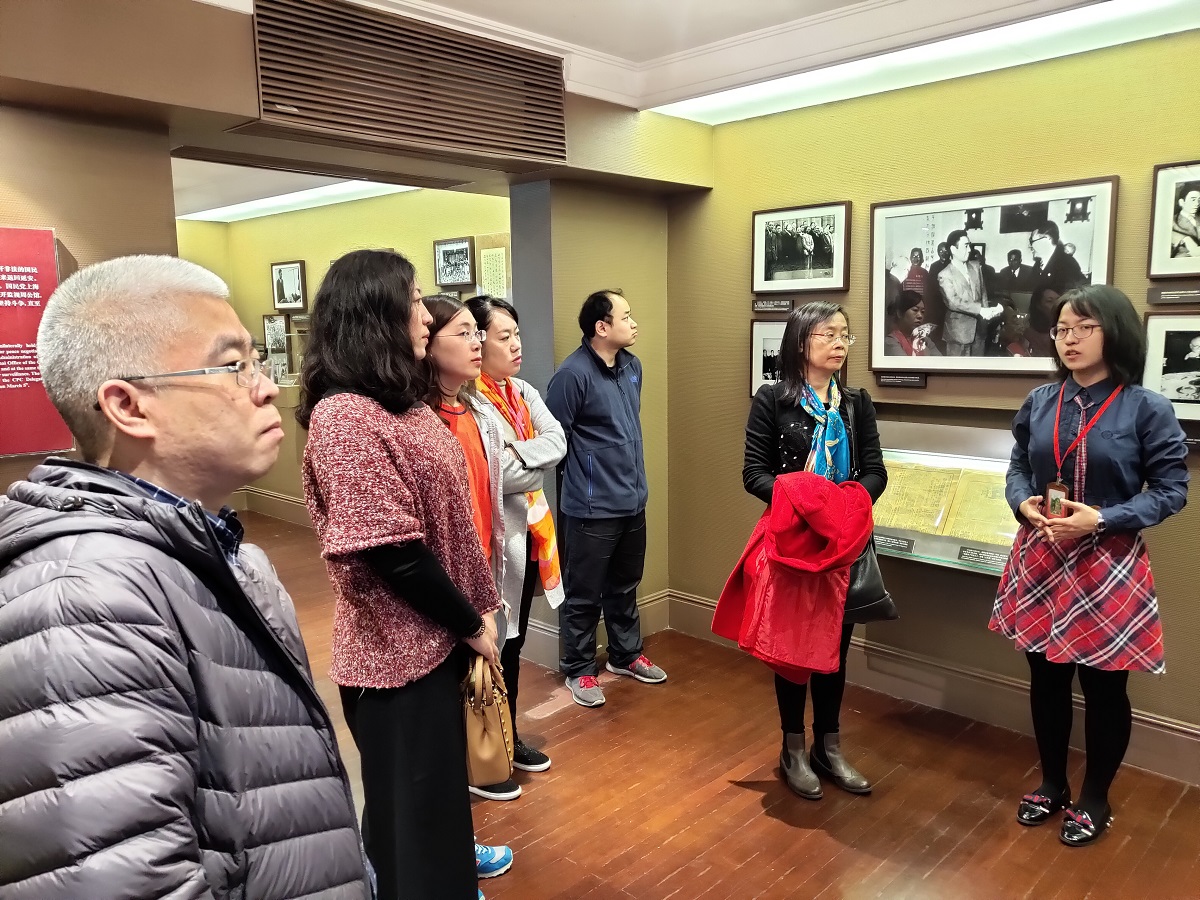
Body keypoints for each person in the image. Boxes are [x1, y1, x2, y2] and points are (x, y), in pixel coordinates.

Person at [0, 255, 371, 899]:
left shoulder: (218, 552)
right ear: (128, 406)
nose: (266, 388)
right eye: (233, 367)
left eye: (256, 361)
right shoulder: (87, 600)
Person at [297, 250, 507, 900]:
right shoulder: (345, 417)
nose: (426, 315)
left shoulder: (401, 403)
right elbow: (394, 553)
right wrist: (471, 622)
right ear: (376, 315)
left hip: (434, 642)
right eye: (415, 301)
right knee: (410, 825)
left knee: (432, 809)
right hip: (396, 658)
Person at [990, 285, 1189, 848]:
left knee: (1104, 688)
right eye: (1061, 329)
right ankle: (1052, 783)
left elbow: (1172, 491)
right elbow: (1017, 469)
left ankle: (1095, 796)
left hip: (1108, 561)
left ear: (1114, 331)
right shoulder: (1040, 400)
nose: (1069, 339)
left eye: (1084, 327)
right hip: (1041, 553)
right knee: (1046, 679)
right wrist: (1022, 503)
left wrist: (1102, 518)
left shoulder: (1145, 407)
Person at [742, 300, 889, 800]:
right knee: (792, 651)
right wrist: (807, 505)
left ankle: (829, 745)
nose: (839, 343)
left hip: (843, 542)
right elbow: (754, 473)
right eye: (828, 334)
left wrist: (844, 509)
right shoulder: (772, 400)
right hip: (793, 540)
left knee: (834, 650)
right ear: (801, 341)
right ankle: (793, 748)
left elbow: (875, 470)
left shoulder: (856, 403)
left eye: (844, 334)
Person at [419, 292, 522, 804]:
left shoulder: (479, 410)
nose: (477, 343)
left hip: (485, 562)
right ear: (427, 344)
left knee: (483, 669)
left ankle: (484, 756)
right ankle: (461, 770)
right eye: (463, 334)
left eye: (477, 333)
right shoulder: (417, 419)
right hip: (439, 575)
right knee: (445, 682)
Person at [546, 289, 666, 708]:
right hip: (591, 507)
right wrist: (587, 482)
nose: (633, 323)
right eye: (625, 316)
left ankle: (625, 655)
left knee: (624, 585)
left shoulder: (632, 366)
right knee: (583, 593)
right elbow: (554, 441)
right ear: (601, 327)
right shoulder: (571, 375)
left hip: (633, 501)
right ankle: (579, 669)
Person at [468, 294, 566, 774]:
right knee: (487, 645)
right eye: (504, 336)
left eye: (517, 334)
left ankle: (508, 734)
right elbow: (493, 473)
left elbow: (558, 441)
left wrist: (519, 458)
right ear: (477, 341)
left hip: (529, 535)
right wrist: (531, 463)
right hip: (492, 544)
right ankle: (483, 747)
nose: (515, 345)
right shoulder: (469, 401)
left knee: (513, 641)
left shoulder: (522, 391)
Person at [938, 230, 1003, 356]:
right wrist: (980, 310)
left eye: (969, 246)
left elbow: (983, 294)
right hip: (958, 334)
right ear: (953, 249)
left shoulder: (976, 266)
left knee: (978, 366)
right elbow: (953, 302)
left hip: (980, 331)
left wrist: (988, 313)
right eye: (966, 246)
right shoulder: (944, 275)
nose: (969, 250)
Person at [1030, 221, 1086, 295]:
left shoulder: (1068, 264)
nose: (1030, 246)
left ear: (1047, 239)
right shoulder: (1037, 265)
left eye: (1032, 241)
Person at [884, 290, 941, 357]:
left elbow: (941, 361)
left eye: (922, 312)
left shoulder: (925, 341)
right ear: (899, 313)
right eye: (915, 310)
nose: (920, 316)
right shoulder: (891, 342)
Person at [1170, 181, 1200, 258]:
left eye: (1199, 200)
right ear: (1182, 202)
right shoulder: (1173, 221)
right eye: (1193, 200)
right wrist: (1184, 239)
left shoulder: (1198, 217)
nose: (1197, 204)